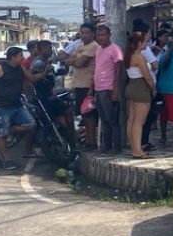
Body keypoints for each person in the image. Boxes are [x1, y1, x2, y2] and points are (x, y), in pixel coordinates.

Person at [30, 40, 76, 144]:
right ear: (42, 50)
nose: (51, 51)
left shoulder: (46, 60)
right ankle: (69, 137)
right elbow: (31, 78)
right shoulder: (38, 63)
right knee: (55, 117)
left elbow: (58, 59)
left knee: (66, 111)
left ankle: (71, 137)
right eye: (49, 49)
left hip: (50, 94)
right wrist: (45, 72)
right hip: (43, 97)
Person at [66, 22, 98, 151]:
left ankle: (92, 141)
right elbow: (68, 60)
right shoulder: (80, 46)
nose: (84, 35)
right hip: (79, 85)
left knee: (88, 115)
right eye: (82, 33)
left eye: (87, 33)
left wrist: (73, 61)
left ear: (93, 33)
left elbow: (79, 63)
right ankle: (89, 139)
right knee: (84, 115)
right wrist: (73, 61)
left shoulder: (93, 46)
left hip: (88, 85)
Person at [92, 25, 123, 154]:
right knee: (104, 120)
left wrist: (116, 90)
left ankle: (116, 146)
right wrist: (92, 88)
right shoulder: (98, 49)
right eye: (99, 35)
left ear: (109, 35)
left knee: (112, 120)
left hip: (109, 89)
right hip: (98, 89)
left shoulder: (115, 49)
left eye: (103, 35)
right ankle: (107, 145)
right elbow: (97, 69)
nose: (101, 37)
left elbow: (119, 70)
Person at [124, 32, 156, 159]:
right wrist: (153, 88)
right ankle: (138, 150)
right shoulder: (138, 57)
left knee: (131, 120)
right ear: (139, 43)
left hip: (131, 86)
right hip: (140, 88)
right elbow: (147, 76)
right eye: (145, 42)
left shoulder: (128, 55)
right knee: (139, 121)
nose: (146, 44)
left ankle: (133, 147)